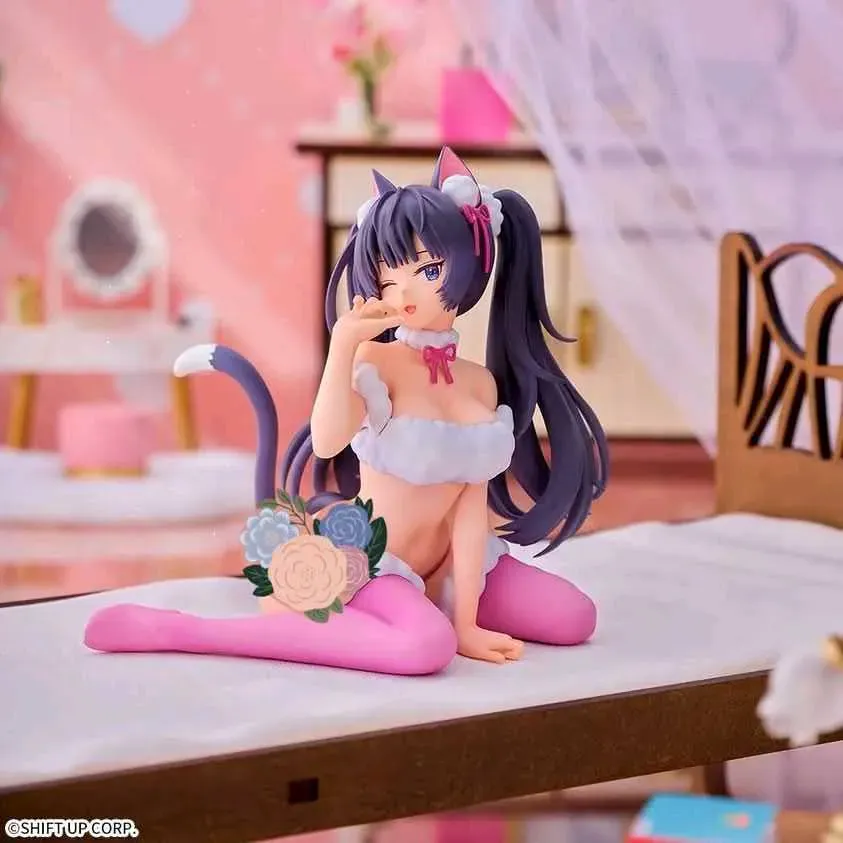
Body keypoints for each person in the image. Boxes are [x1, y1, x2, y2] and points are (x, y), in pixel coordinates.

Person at [84, 147, 608, 675]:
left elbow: (471, 509)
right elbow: (330, 440)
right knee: (425, 648)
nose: (404, 292)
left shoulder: (479, 383)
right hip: (374, 561)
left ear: (473, 261)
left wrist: (468, 622)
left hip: (449, 564)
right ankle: (186, 630)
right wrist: (344, 345)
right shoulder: (375, 361)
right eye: (388, 278)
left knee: (573, 618)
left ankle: (431, 612)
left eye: (427, 270)